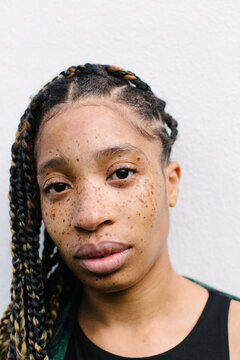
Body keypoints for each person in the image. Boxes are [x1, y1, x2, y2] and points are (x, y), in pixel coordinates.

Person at [0, 63, 239, 360]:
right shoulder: (19, 348)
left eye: (122, 173)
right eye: (58, 187)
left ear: (171, 183)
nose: (89, 216)